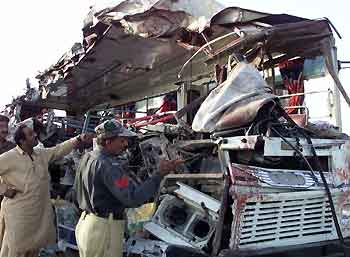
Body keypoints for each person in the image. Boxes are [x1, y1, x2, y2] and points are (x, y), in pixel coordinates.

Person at [75, 119, 183, 257]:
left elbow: (76, 193)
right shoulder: (109, 166)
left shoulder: (88, 157)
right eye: (121, 141)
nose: (125, 144)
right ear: (108, 141)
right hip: (104, 230)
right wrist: (159, 175)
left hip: (86, 224)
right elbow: (132, 198)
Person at [0, 123, 94, 257]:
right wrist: (4, 190)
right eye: (31, 134)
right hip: (19, 213)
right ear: (22, 140)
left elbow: (59, 149)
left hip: (39, 211)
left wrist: (78, 139)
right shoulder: (9, 157)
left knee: (34, 247)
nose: (36, 135)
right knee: (16, 249)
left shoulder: (40, 154)